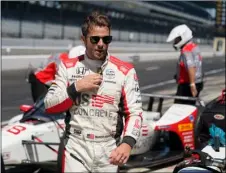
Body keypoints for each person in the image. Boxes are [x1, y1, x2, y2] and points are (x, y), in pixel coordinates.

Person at [44, 11, 143, 173]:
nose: (101, 44)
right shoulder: (68, 67)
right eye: (95, 39)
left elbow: (135, 112)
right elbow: (49, 105)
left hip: (109, 150)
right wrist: (76, 87)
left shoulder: (125, 71)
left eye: (106, 39)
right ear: (83, 39)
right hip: (76, 147)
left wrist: (127, 143)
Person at [166, 24, 204, 105]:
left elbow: (191, 66)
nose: (175, 42)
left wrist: (192, 84)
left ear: (182, 37)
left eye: (176, 40)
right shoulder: (194, 47)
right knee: (190, 106)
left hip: (187, 85)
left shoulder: (186, 50)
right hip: (198, 82)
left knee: (179, 108)